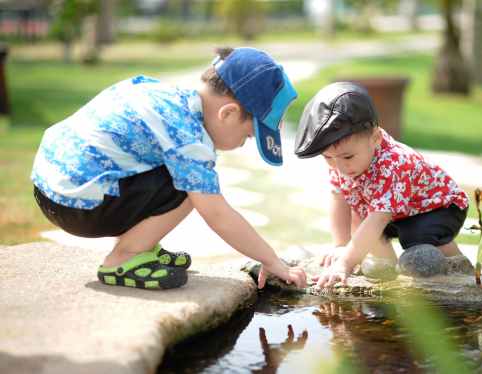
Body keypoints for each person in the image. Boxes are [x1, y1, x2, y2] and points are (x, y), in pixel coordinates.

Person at [31, 47, 307, 290]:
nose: (243, 145)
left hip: (50, 188)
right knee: (194, 188)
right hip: (78, 207)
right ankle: (124, 258)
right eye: (248, 136)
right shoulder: (188, 136)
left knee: (182, 173)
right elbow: (217, 215)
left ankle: (141, 245)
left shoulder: (165, 95)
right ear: (229, 114)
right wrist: (272, 260)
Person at [294, 82, 468, 288]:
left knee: (414, 236)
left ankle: (459, 268)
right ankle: (389, 272)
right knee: (360, 220)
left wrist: (344, 264)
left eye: (347, 157)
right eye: (328, 158)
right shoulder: (343, 161)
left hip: (439, 207)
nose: (339, 167)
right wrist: (341, 245)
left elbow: (379, 219)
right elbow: (338, 197)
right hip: (398, 212)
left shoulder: (395, 163)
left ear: (375, 138)